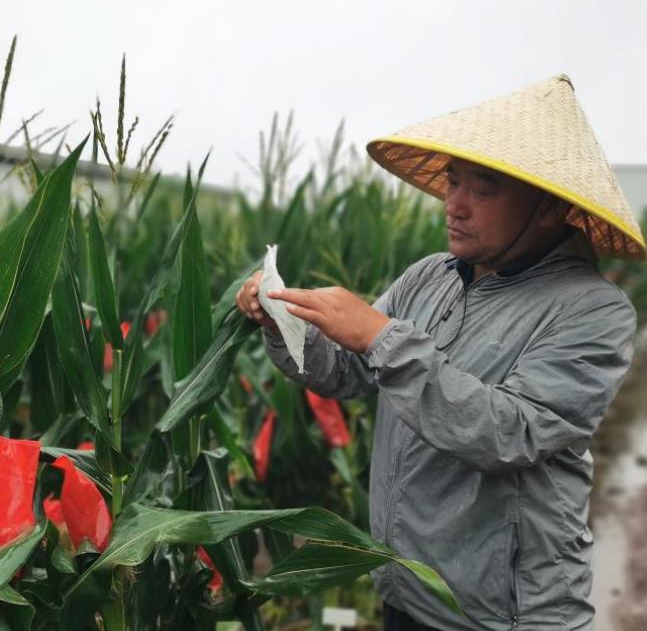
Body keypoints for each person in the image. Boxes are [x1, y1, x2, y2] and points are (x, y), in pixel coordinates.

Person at [235, 75, 646, 630]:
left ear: (549, 207)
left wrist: (379, 336)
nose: (454, 205)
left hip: (502, 615)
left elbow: (511, 432)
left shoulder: (591, 311)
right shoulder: (430, 277)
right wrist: (281, 321)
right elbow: (350, 371)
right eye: (452, 183)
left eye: (483, 189)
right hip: (409, 586)